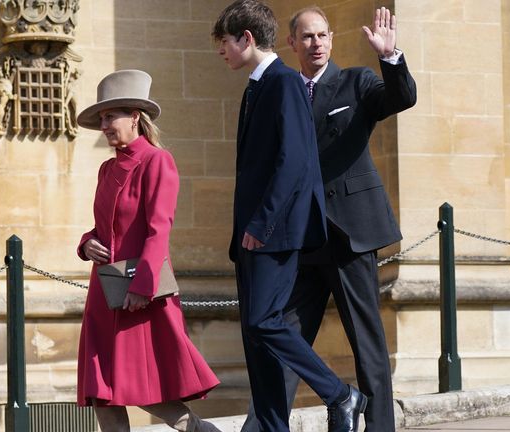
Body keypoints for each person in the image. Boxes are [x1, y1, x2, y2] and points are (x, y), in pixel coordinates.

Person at [241, 6, 417, 432]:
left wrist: (390, 58)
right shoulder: (283, 89)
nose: (316, 43)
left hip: (349, 232)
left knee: (367, 344)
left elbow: (400, 98)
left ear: (332, 40)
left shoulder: (355, 82)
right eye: (307, 37)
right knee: (284, 337)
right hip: (301, 239)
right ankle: (263, 427)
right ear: (292, 44)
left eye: (322, 35)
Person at [212, 1, 368, 431]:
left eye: (224, 43)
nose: (221, 52)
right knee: (256, 340)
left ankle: (340, 394)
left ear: (245, 38)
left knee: (265, 322)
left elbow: (295, 161)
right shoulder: (256, 87)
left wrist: (262, 224)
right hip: (251, 237)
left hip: (272, 234)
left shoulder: (283, 82)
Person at [75, 69, 221, 432]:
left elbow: (159, 229)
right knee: (101, 388)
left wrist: (143, 287)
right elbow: (105, 227)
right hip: (105, 292)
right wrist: (85, 243)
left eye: (111, 116)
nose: (105, 125)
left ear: (135, 116)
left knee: (143, 388)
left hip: (140, 293)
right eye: (102, 118)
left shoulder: (157, 161)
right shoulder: (107, 169)